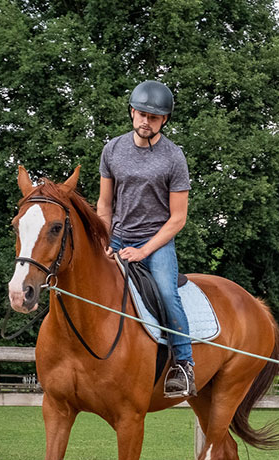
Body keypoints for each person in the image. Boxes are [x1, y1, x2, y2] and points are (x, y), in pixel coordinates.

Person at [97, 80, 196, 398]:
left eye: (153, 117)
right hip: (118, 235)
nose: (145, 121)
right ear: (131, 112)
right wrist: (104, 239)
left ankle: (184, 365)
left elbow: (178, 218)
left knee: (167, 294)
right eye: (140, 114)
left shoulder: (173, 158)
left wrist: (144, 252)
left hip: (157, 242)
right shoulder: (112, 149)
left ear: (164, 120)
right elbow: (105, 205)